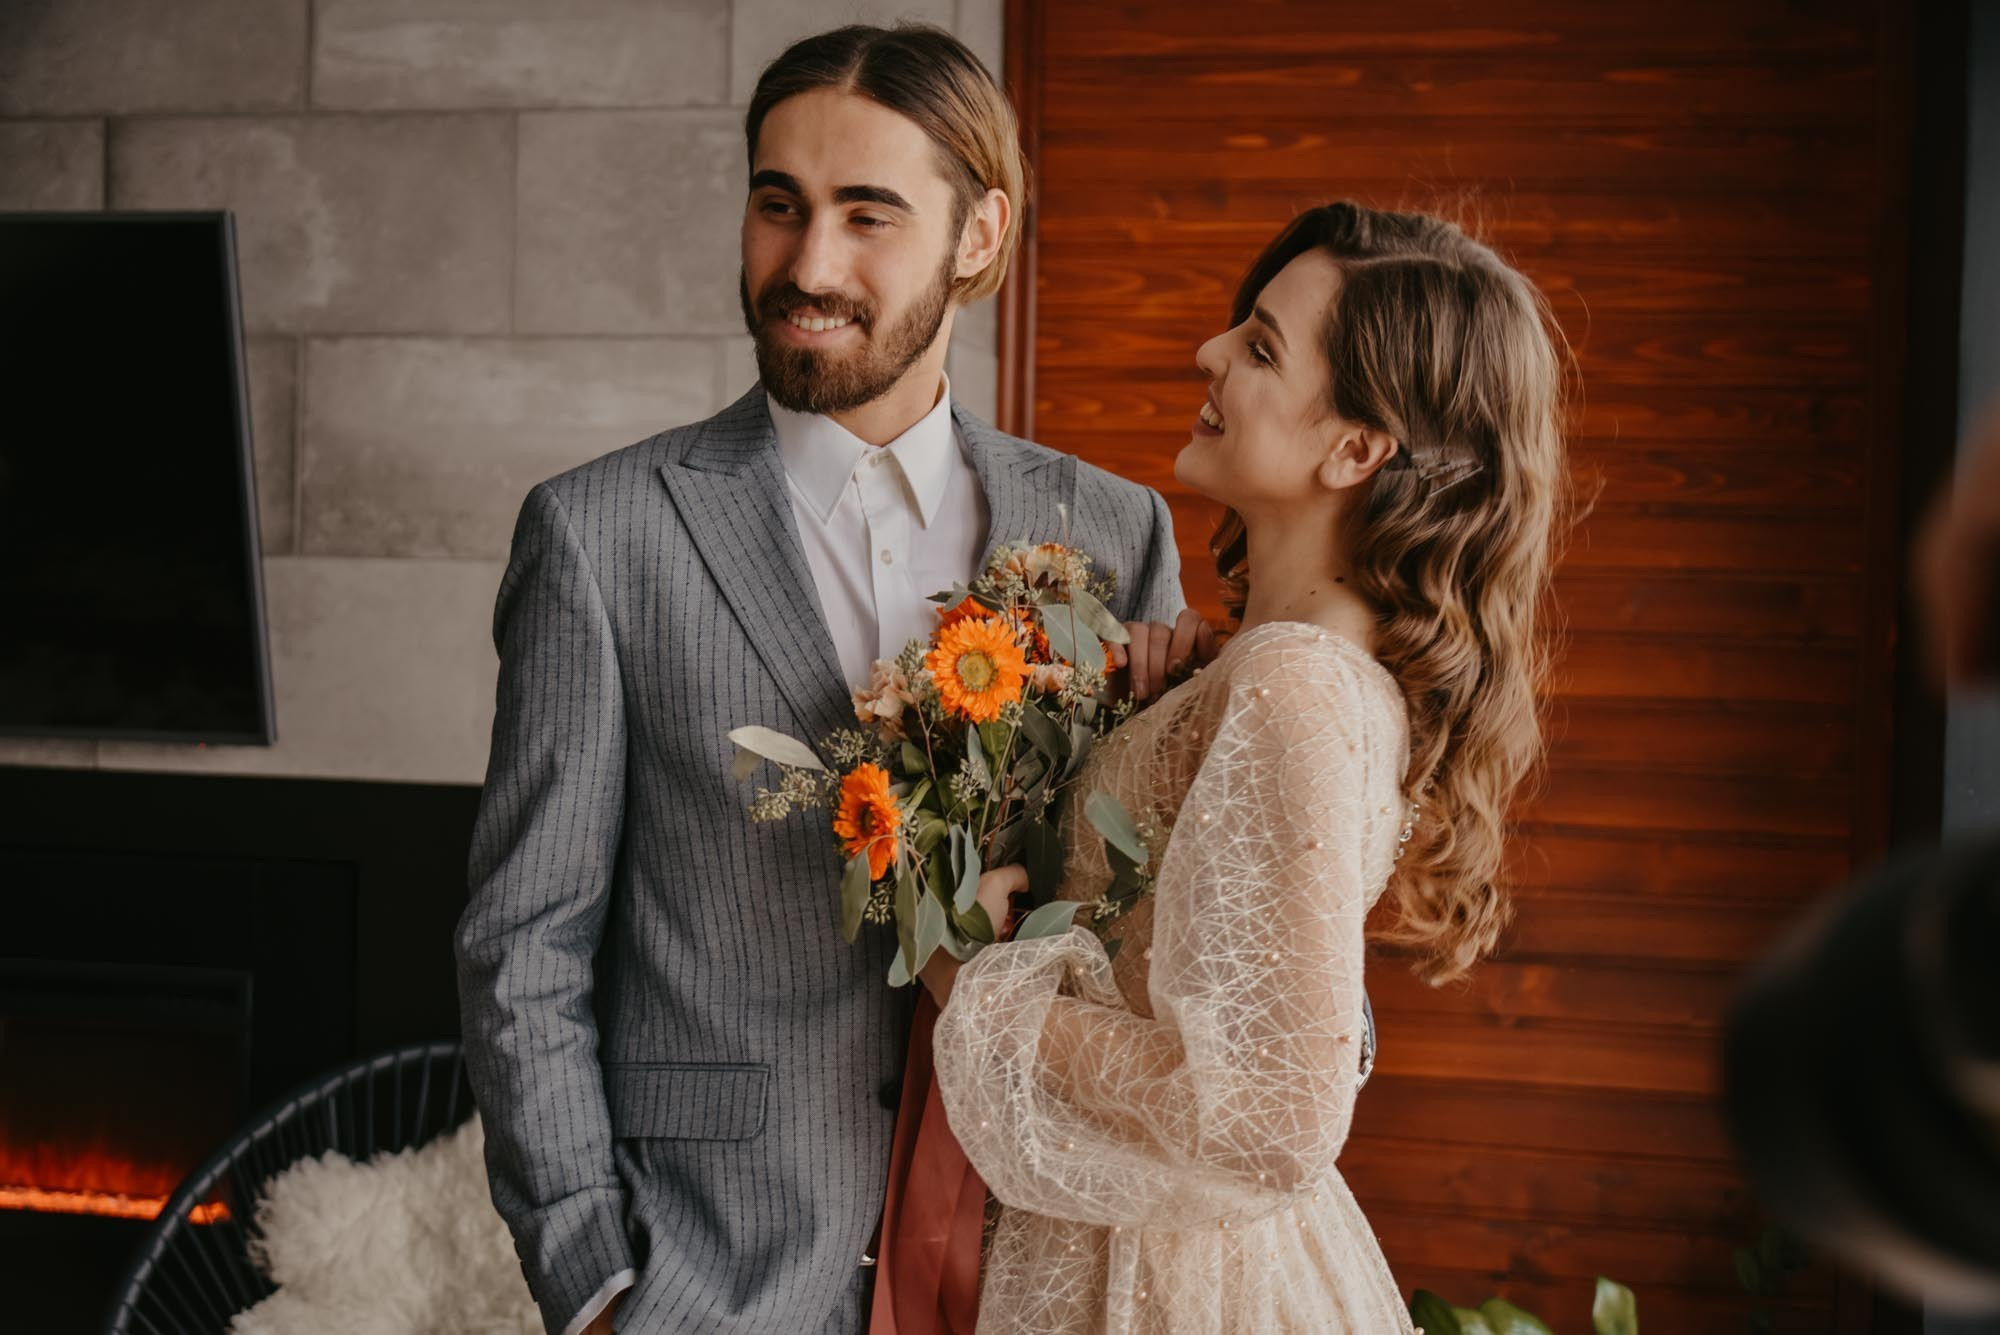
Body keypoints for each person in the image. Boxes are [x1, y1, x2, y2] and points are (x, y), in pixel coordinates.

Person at [453, 24, 1185, 1335]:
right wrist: (596, 1279)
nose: (808, 265)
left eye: (868, 215)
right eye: (778, 206)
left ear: (976, 235)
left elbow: (1171, 906)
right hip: (714, 1282)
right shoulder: (599, 535)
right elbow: (525, 940)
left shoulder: (1116, 531)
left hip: (1037, 1276)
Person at [910, 201, 1570, 1331]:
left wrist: (972, 973)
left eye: (1260, 347)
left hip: (1165, 1284)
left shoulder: (1291, 689)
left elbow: (1265, 1114)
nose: (1207, 354)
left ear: (1355, 448)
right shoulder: (1269, 675)